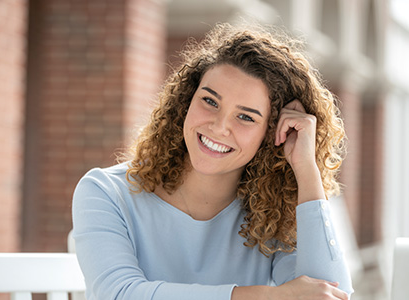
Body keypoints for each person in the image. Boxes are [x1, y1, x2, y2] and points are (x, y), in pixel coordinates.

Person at [72, 22, 354, 300]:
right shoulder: (105, 192)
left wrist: (305, 169)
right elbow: (119, 294)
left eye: (246, 117)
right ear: (186, 102)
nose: (219, 127)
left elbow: (330, 293)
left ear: (270, 134)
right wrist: (272, 297)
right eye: (210, 101)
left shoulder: (272, 214)